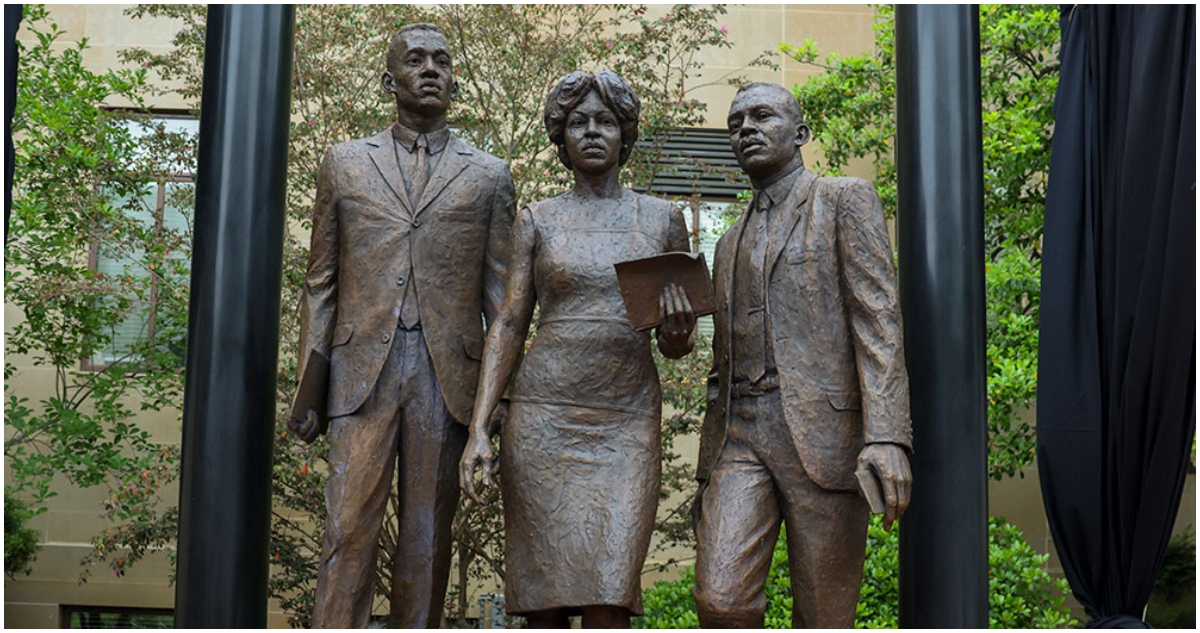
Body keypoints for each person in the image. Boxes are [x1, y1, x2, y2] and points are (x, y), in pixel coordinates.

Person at [289, 23, 515, 628]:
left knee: (427, 537)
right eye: (415, 61)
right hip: (360, 372)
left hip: (447, 380)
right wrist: (309, 386)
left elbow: (505, 301)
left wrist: (496, 404)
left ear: (456, 80)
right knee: (346, 531)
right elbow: (321, 283)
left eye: (442, 60)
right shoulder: (343, 164)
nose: (431, 69)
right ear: (390, 80)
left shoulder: (490, 175)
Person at [458, 70, 696, 629]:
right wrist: (479, 426)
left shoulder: (662, 219)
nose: (591, 132)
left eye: (606, 122)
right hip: (544, 420)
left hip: (625, 421)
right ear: (560, 137)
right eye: (578, 122)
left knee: (611, 593)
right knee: (544, 601)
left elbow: (674, 345)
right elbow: (512, 322)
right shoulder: (538, 219)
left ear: (625, 134)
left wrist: (681, 330)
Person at [691, 82, 913, 628]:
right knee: (720, 600)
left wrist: (887, 436)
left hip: (824, 437)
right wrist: (704, 472)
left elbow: (877, 320)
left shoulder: (843, 199)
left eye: (762, 115)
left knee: (824, 613)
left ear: (801, 133)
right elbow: (720, 366)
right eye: (736, 121)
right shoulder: (727, 242)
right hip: (739, 437)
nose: (746, 128)